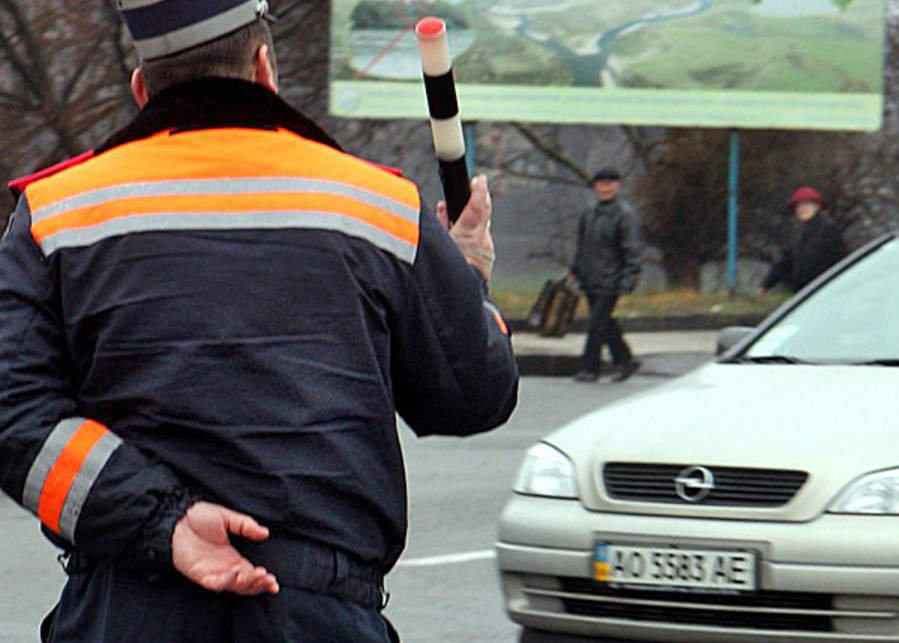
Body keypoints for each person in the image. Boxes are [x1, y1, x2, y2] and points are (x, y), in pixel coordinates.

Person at [0, 2, 518, 642]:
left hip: (125, 609)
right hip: (321, 617)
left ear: (143, 88)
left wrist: (164, 521)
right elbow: (472, 397)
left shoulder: (56, 214)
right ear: (264, 66)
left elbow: (14, 417)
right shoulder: (382, 209)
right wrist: (467, 277)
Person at [569, 168, 642, 383]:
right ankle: (624, 360)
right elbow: (582, 246)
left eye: (610, 183)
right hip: (590, 278)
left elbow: (632, 250)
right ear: (595, 187)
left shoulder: (625, 215)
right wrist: (576, 268)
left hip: (611, 279)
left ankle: (590, 368)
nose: (605, 187)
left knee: (597, 325)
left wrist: (629, 279)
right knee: (605, 323)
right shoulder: (589, 213)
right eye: (601, 183)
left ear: (617, 186)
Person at [759, 186, 847, 294]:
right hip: (803, 292)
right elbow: (785, 261)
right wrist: (766, 284)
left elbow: (840, 260)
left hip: (824, 290)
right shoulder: (797, 232)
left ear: (817, 206)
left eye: (806, 204)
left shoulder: (828, 229)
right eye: (798, 206)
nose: (801, 209)